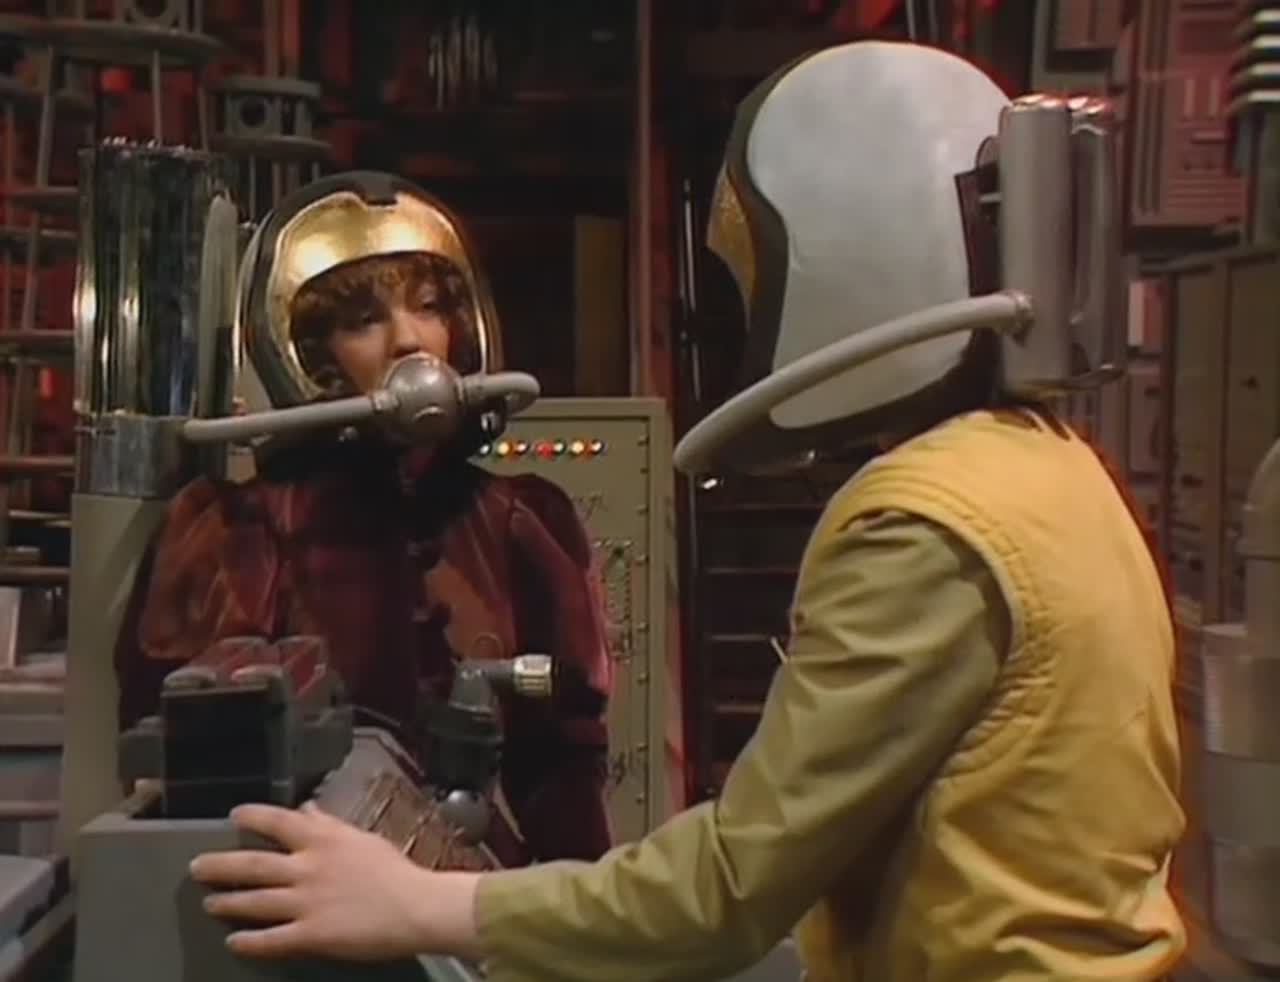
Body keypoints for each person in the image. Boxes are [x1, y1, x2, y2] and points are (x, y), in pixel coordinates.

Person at [188, 42, 1185, 981]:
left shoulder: (919, 519)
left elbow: (728, 889)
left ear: (853, 259)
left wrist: (419, 905)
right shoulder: (1055, 475)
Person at [114, 171, 614, 867]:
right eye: (362, 321)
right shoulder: (240, 531)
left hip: (463, 886)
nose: (409, 340)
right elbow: (184, 776)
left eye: (429, 307)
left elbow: (562, 775)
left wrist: (574, 917)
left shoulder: (518, 522)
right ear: (310, 356)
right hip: (296, 883)